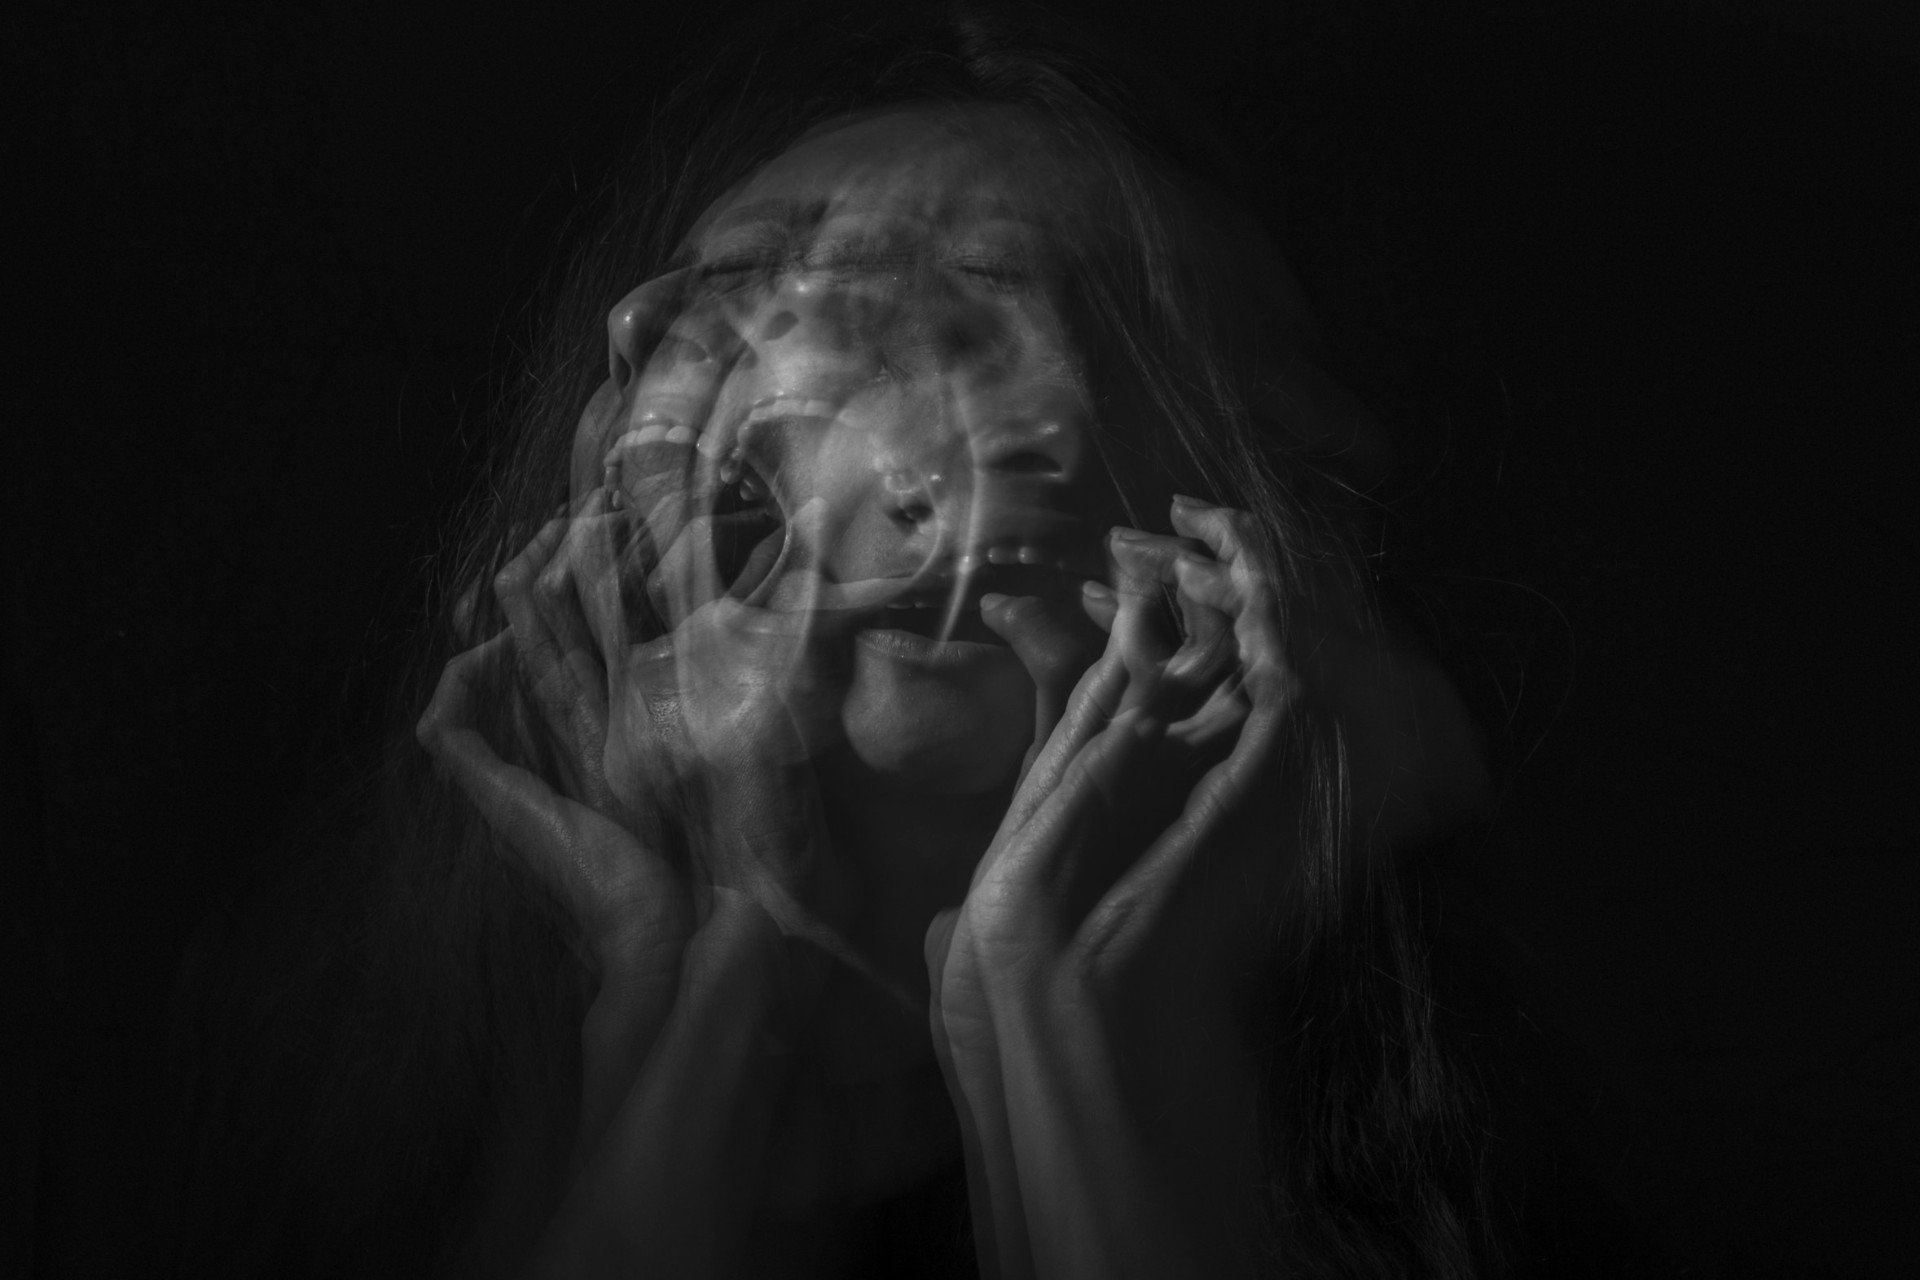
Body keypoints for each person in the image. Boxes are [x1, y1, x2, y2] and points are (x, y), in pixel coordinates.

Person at [174, 6, 1532, 1277]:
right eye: (733, 282)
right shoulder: (284, 1152)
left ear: (1263, 550)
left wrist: (1087, 1026)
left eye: (983, 284)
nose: (710, 360)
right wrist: (704, 1002)